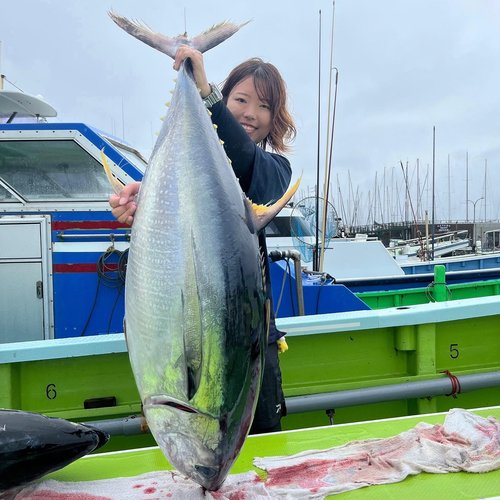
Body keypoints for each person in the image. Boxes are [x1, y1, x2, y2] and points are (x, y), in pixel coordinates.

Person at [109, 45, 296, 434]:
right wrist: (139, 210)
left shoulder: (273, 170)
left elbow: (245, 165)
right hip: (191, 338)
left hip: (248, 345)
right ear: (227, 101)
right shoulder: (185, 181)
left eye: (263, 106)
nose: (249, 113)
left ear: (274, 118)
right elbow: (167, 247)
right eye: (240, 100)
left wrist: (207, 95)